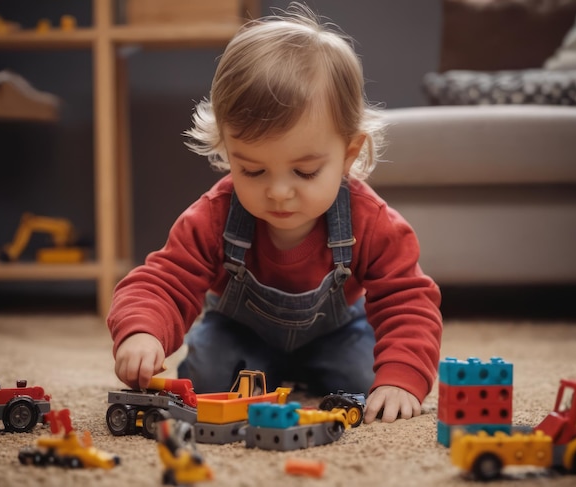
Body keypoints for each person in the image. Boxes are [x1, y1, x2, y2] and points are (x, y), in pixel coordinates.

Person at [107, 2, 442, 424]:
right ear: (228, 152)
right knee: (208, 373)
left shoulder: (369, 220)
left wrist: (401, 376)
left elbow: (408, 300)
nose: (279, 192)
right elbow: (164, 280)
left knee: (366, 376)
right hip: (241, 333)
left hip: (337, 334)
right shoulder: (214, 216)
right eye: (253, 169)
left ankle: (308, 371)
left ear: (348, 153)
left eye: (304, 171)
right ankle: (270, 373)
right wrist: (140, 331)